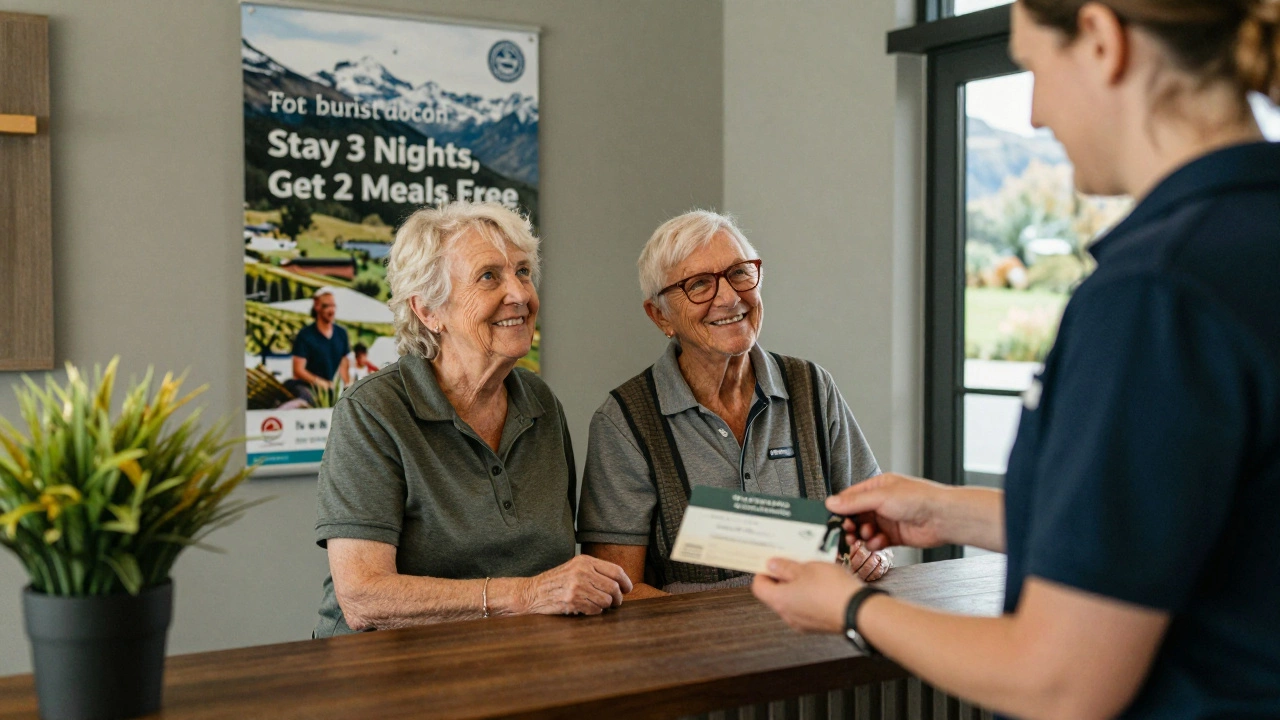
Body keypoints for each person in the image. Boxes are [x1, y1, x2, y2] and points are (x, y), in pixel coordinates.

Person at [752, 2, 1280, 718]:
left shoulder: (1154, 295)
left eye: (1033, 67)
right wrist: (947, 511)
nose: (1034, 114)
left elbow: (1060, 681)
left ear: (1101, 39)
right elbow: (1185, 516)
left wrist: (851, 608)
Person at [314, 201, 631, 637]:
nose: (520, 294)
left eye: (522, 271)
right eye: (489, 277)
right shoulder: (373, 411)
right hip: (388, 675)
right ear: (428, 310)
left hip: (512, 662)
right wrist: (525, 595)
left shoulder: (540, 402)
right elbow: (364, 598)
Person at [577, 210, 891, 599]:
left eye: (740, 272)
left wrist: (871, 554)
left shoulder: (813, 388)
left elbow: (874, 522)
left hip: (819, 632)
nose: (729, 298)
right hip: (698, 651)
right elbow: (618, 589)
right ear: (660, 316)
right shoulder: (624, 422)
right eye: (699, 285)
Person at [288, 289, 352, 402]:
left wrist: (349, 386)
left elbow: (344, 364)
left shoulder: (341, 334)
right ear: (317, 307)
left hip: (329, 390)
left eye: (333, 306)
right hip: (306, 388)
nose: (332, 310)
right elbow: (298, 370)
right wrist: (320, 382)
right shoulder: (305, 335)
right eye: (327, 306)